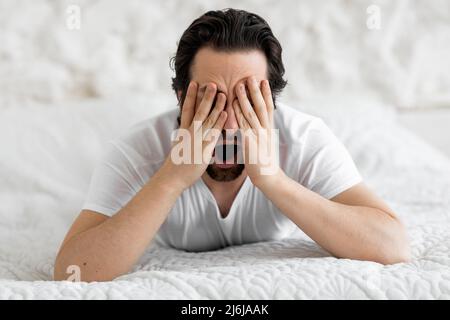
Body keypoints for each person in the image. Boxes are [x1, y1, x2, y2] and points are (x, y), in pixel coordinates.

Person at [54, 8, 410, 282]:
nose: (228, 123)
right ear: (181, 97)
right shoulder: (137, 150)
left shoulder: (303, 138)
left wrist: (273, 180)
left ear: (272, 101)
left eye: (247, 99)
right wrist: (171, 179)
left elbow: (392, 246)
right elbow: (72, 270)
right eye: (212, 99)